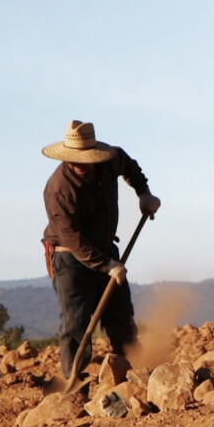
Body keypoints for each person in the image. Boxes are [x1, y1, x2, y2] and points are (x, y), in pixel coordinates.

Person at [41, 120, 161, 380]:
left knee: (120, 316)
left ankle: (132, 372)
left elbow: (129, 165)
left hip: (106, 249)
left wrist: (144, 193)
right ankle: (74, 381)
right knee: (76, 322)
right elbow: (72, 238)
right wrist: (108, 265)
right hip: (69, 256)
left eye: (84, 159)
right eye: (73, 159)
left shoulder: (110, 161)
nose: (78, 164)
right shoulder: (59, 189)